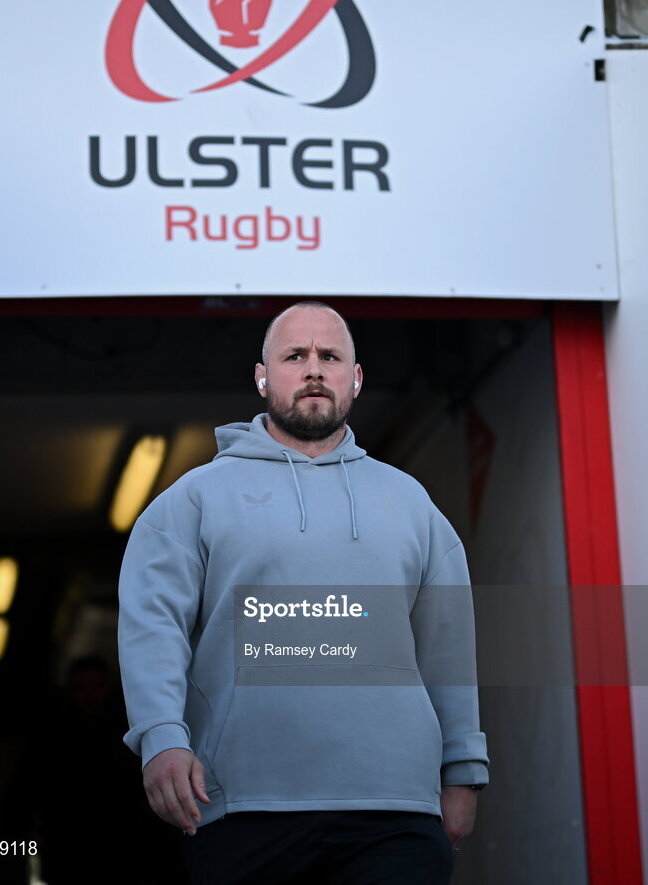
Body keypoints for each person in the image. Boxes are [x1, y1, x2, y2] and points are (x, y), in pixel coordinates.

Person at [118, 301, 489, 884]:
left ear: (355, 379)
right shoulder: (192, 501)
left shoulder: (412, 503)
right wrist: (161, 737)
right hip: (245, 806)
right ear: (263, 377)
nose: (314, 368)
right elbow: (153, 626)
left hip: (395, 809)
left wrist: (462, 770)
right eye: (295, 356)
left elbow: (448, 643)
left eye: (330, 357)